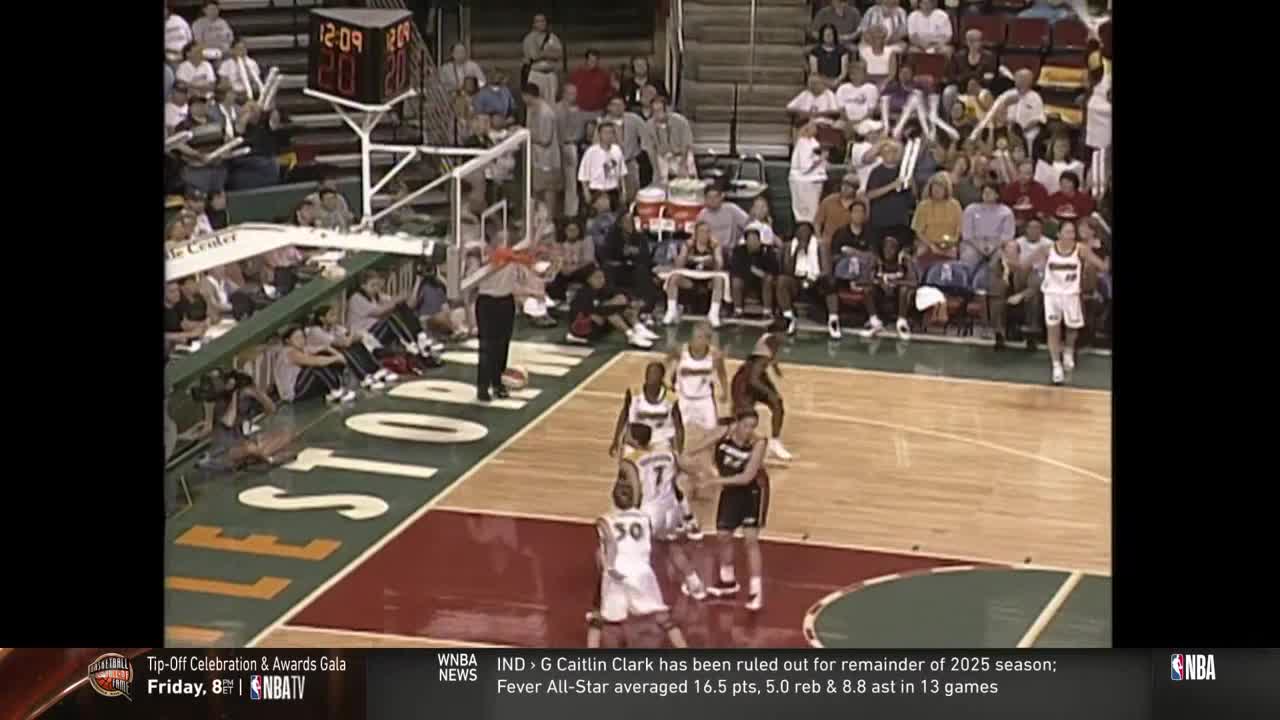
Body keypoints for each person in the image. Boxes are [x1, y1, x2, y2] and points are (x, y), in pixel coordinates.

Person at [586, 473, 689, 648]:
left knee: (601, 618)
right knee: (663, 619)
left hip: (617, 571)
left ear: (613, 498)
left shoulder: (604, 520)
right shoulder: (645, 518)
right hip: (642, 573)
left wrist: (609, 568)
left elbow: (611, 544)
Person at [684, 408, 771, 611]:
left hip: (753, 492)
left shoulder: (758, 444)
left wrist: (714, 480)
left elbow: (746, 477)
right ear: (737, 423)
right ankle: (728, 581)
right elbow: (699, 446)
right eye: (746, 425)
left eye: (753, 426)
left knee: (750, 540)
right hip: (730, 490)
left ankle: (756, 590)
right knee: (723, 535)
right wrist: (687, 456)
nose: (750, 430)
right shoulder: (724, 432)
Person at [1016, 221, 1109, 384]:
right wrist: (1012, 259)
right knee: (1053, 329)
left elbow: (1102, 266)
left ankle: (1068, 349)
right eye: (1067, 232)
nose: (1070, 235)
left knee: (1072, 328)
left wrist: (1100, 262)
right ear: (1058, 234)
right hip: (1052, 295)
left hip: (1072, 295)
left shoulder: (1081, 249)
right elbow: (1023, 264)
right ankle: (1056, 365)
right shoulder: (1047, 249)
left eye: (1072, 232)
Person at [186, 368, 289, 470]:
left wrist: (256, 392)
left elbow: (271, 408)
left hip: (241, 440)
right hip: (226, 448)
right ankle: (261, 456)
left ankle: (254, 456)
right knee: (249, 448)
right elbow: (228, 421)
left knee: (284, 435)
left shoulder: (245, 397)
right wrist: (234, 394)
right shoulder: (217, 402)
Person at [347, 271, 442, 361]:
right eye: (372, 285)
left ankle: (420, 337)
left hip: (377, 332)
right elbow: (379, 311)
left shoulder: (376, 295)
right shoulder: (356, 298)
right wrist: (397, 299)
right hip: (366, 337)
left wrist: (416, 284)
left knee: (401, 309)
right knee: (390, 320)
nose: (376, 288)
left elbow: (409, 304)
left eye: (377, 285)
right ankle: (413, 344)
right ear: (362, 286)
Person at [728, 333, 791, 461]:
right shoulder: (767, 347)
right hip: (744, 382)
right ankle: (729, 443)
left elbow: (769, 361)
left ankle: (774, 442)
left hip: (757, 378)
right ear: (779, 333)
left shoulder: (770, 342)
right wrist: (768, 392)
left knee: (777, 402)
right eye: (785, 334)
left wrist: (775, 368)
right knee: (743, 416)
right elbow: (753, 379)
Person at [305, 305, 398, 390]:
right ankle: (364, 377)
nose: (335, 317)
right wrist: (352, 333)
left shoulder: (335, 327)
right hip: (323, 359)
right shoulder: (316, 331)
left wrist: (351, 335)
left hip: (336, 354)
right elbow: (345, 343)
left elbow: (354, 337)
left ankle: (376, 371)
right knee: (347, 349)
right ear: (322, 318)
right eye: (331, 315)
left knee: (357, 344)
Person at [777, 221, 842, 339]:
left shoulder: (820, 245)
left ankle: (833, 321)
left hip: (817, 280)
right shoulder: (788, 246)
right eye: (800, 231)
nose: (803, 233)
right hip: (797, 280)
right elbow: (786, 271)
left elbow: (827, 270)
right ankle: (789, 318)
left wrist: (812, 278)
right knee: (782, 280)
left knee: (830, 281)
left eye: (806, 230)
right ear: (795, 233)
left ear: (811, 233)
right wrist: (796, 252)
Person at [567, 267, 657, 349]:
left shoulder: (602, 289)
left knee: (621, 301)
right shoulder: (583, 293)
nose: (601, 280)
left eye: (602, 277)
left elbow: (621, 293)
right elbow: (583, 313)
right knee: (610, 312)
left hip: (598, 322)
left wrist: (630, 302)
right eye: (597, 277)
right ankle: (630, 335)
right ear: (589, 279)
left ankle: (638, 328)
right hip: (582, 327)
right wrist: (612, 306)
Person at [667, 321, 730, 436]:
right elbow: (668, 366)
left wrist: (725, 392)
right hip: (683, 398)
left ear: (708, 340)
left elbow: (722, 374)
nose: (697, 341)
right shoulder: (680, 350)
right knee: (672, 431)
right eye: (696, 337)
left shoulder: (715, 355)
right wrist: (668, 381)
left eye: (702, 337)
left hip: (704, 399)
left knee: (712, 431)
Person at [611, 361, 685, 457]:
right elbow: (624, 415)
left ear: (661, 377)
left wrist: (678, 451)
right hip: (635, 441)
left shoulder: (670, 398)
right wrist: (616, 440)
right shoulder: (634, 393)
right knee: (630, 469)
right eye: (649, 373)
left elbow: (679, 427)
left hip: (661, 442)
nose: (652, 376)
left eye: (655, 374)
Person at [662, 222, 727, 327]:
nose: (704, 234)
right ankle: (671, 310)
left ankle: (713, 314)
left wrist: (713, 258)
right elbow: (679, 265)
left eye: (707, 232)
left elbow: (720, 265)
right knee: (674, 278)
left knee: (719, 279)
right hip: (690, 280)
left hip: (708, 278)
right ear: (696, 233)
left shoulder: (715, 245)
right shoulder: (688, 244)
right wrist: (686, 255)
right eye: (701, 231)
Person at [276, 324, 353, 403]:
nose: (301, 340)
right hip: (293, 393)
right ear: (288, 341)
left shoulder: (302, 348)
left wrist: (339, 356)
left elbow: (324, 347)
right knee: (314, 366)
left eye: (302, 337)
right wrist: (336, 358)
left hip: (301, 385)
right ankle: (337, 391)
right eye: (297, 338)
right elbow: (316, 362)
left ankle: (336, 388)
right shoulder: (289, 352)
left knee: (324, 356)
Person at [986, 240, 1041, 352]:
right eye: (1008, 251)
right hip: (1003, 299)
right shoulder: (994, 267)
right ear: (1002, 253)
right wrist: (1005, 274)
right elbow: (993, 288)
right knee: (995, 300)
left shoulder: (1026, 267)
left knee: (1033, 298)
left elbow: (1034, 286)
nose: (1011, 254)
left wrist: (1020, 296)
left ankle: (1031, 336)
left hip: (1022, 301)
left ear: (1019, 253)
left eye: (1014, 251)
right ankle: (999, 335)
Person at [862, 140, 915, 251]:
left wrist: (911, 184)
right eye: (888, 151)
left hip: (899, 221)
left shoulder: (904, 171)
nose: (891, 154)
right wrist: (892, 186)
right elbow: (870, 194)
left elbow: (913, 196)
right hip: (880, 222)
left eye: (894, 151)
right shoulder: (876, 172)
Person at [521, 84, 563, 220]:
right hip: (537, 159)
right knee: (537, 191)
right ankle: (535, 220)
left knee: (548, 191)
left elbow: (545, 139)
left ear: (527, 95)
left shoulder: (545, 113)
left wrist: (525, 134)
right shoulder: (532, 109)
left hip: (548, 160)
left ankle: (549, 220)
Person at [863, 233, 917, 338]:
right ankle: (874, 321)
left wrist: (895, 283)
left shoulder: (904, 260)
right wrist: (879, 282)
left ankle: (901, 323)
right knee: (867, 289)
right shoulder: (877, 260)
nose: (888, 250)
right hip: (881, 294)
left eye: (892, 248)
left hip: (899, 296)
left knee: (904, 290)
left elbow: (914, 282)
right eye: (885, 247)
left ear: (897, 249)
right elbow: (866, 279)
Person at [912, 172, 963, 268]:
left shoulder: (955, 205)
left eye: (940, 188)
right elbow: (918, 231)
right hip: (928, 244)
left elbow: (959, 230)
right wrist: (932, 246)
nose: (937, 190)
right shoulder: (924, 206)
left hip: (949, 244)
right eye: (934, 188)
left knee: (953, 255)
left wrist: (951, 243)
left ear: (946, 189)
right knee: (921, 254)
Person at [960, 181, 1015, 269]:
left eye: (990, 193)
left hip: (998, 244)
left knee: (1001, 257)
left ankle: (996, 281)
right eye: (985, 192)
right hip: (974, 243)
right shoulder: (971, 209)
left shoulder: (1006, 212)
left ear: (997, 195)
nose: (987, 195)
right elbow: (967, 234)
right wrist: (980, 246)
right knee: (969, 256)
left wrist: (993, 246)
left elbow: (1007, 235)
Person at [642, 96, 696, 186]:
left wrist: (683, 165)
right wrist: (656, 169)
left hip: (682, 155)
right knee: (661, 184)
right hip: (662, 157)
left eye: (660, 110)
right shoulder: (648, 125)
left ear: (667, 109)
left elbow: (687, 144)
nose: (657, 113)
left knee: (687, 184)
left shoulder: (680, 121)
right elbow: (651, 150)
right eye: (655, 111)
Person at [729, 228, 781, 321]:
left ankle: (767, 312)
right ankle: (738, 311)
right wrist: (752, 271)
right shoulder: (739, 251)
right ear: (746, 242)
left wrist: (762, 273)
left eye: (755, 240)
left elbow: (774, 269)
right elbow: (735, 269)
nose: (753, 243)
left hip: (763, 282)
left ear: (759, 240)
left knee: (768, 279)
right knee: (736, 281)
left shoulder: (767, 251)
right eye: (750, 240)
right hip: (745, 280)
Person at [578, 122, 626, 211]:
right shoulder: (591, 152)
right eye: (606, 133)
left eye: (611, 132)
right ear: (600, 134)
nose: (609, 136)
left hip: (613, 190)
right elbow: (583, 176)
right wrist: (586, 193)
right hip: (597, 191)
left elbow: (621, 174)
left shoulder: (617, 150)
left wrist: (623, 191)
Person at [789, 122, 829, 225]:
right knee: (806, 215)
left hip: (811, 182)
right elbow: (805, 167)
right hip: (805, 183)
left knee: (812, 214)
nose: (815, 128)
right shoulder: (803, 142)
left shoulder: (812, 142)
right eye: (812, 126)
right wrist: (821, 158)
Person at [521, 14, 563, 104]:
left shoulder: (552, 37)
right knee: (535, 104)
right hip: (536, 74)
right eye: (538, 21)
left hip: (550, 75)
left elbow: (559, 54)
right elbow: (533, 56)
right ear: (534, 24)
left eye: (543, 21)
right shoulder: (529, 38)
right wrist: (548, 53)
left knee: (551, 104)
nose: (541, 23)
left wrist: (544, 54)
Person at [837, 62, 880, 128]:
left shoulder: (871, 88)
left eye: (859, 73)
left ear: (865, 74)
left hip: (864, 121)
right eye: (853, 73)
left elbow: (870, 113)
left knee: (869, 127)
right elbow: (841, 111)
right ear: (849, 75)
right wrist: (849, 122)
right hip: (846, 121)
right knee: (835, 127)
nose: (856, 76)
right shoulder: (842, 88)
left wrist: (858, 122)